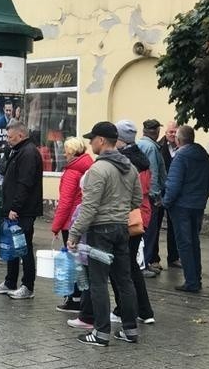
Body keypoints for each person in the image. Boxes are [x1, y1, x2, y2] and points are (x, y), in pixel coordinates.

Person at [67, 121, 142, 346]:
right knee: (124, 280)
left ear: (101, 140)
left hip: (101, 231)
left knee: (98, 281)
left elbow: (89, 206)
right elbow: (137, 200)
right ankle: (130, 329)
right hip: (121, 228)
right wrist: (118, 210)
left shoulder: (98, 169)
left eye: (92, 139)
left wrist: (74, 234)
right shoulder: (130, 167)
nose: (90, 144)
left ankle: (100, 333)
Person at [0, 120, 43, 299]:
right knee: (12, 246)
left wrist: (16, 207)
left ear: (21, 135)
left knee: (24, 247)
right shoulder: (16, 151)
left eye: (10, 137)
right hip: (12, 209)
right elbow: (6, 172)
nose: (8, 140)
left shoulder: (28, 153)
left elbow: (25, 183)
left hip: (23, 211)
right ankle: (10, 281)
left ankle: (27, 286)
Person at [112, 120, 155, 324]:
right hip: (141, 216)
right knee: (130, 265)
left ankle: (125, 309)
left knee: (122, 266)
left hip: (130, 217)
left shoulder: (125, 161)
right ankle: (144, 311)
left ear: (121, 140)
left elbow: (129, 193)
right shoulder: (142, 157)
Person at [163, 125, 209, 293]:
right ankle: (196, 279)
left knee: (184, 244)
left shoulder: (180, 157)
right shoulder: (204, 155)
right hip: (197, 205)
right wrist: (202, 197)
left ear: (178, 140)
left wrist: (166, 202)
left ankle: (191, 282)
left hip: (181, 207)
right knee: (194, 242)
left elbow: (173, 184)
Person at [52, 136, 93, 313]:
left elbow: (65, 202)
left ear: (71, 152)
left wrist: (56, 226)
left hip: (71, 222)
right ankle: (80, 297)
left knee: (73, 261)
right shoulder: (87, 166)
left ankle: (74, 298)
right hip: (83, 219)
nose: (63, 154)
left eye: (66, 151)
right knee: (82, 260)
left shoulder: (72, 172)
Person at [136, 119, 167, 277]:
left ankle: (143, 263)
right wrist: (155, 196)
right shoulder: (151, 148)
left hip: (140, 194)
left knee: (142, 231)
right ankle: (144, 264)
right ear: (154, 131)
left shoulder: (140, 145)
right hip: (149, 196)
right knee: (149, 232)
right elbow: (153, 173)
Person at [155, 120, 181, 269]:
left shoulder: (182, 148)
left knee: (174, 226)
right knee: (156, 226)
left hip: (175, 192)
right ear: (165, 133)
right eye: (170, 132)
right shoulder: (158, 147)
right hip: (160, 191)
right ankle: (154, 259)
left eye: (175, 132)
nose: (172, 134)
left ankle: (174, 257)